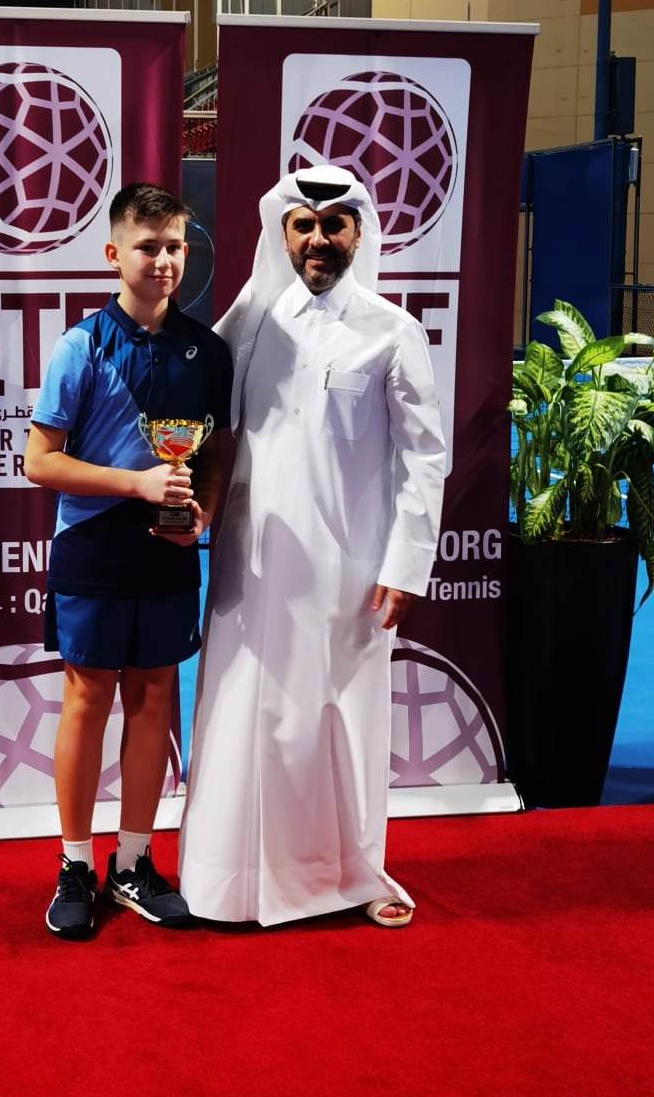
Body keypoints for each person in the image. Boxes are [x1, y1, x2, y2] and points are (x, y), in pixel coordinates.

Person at [177, 165, 446, 928]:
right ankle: (225, 883)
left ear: (359, 232)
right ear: (283, 233)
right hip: (251, 564)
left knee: (342, 722)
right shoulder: (249, 322)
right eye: (304, 226)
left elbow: (425, 458)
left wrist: (407, 565)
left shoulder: (393, 330)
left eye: (334, 225)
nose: (318, 239)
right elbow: (204, 427)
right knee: (241, 716)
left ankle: (351, 878)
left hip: (349, 571)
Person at [25, 182, 233, 940]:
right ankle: (76, 865)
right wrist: (137, 483)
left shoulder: (209, 352)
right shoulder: (80, 347)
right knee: (88, 697)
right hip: (92, 548)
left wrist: (201, 510)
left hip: (169, 553)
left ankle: (135, 862)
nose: (164, 260)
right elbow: (40, 461)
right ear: (115, 254)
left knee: (153, 698)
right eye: (149, 247)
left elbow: (218, 451)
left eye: (175, 246)